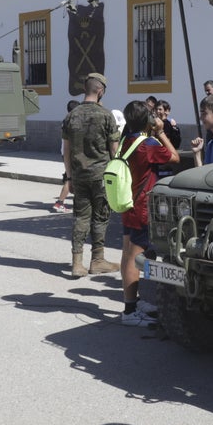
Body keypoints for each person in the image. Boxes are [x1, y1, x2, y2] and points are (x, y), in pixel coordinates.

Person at [117, 100, 179, 326]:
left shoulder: (127, 140)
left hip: (128, 203)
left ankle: (134, 299)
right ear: (146, 120)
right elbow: (175, 158)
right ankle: (130, 311)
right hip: (142, 206)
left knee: (126, 254)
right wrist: (162, 133)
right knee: (135, 259)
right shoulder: (147, 144)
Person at [61, 72, 121, 277]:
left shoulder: (71, 115)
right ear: (101, 91)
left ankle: (77, 263)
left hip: (79, 175)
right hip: (101, 176)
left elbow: (66, 151)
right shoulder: (106, 115)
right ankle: (98, 259)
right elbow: (115, 151)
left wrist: (69, 177)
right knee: (100, 217)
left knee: (80, 217)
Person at [53, 100, 80, 213]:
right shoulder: (71, 122)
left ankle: (72, 202)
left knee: (72, 179)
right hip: (70, 153)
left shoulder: (66, 120)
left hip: (66, 153)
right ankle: (59, 203)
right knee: (70, 179)